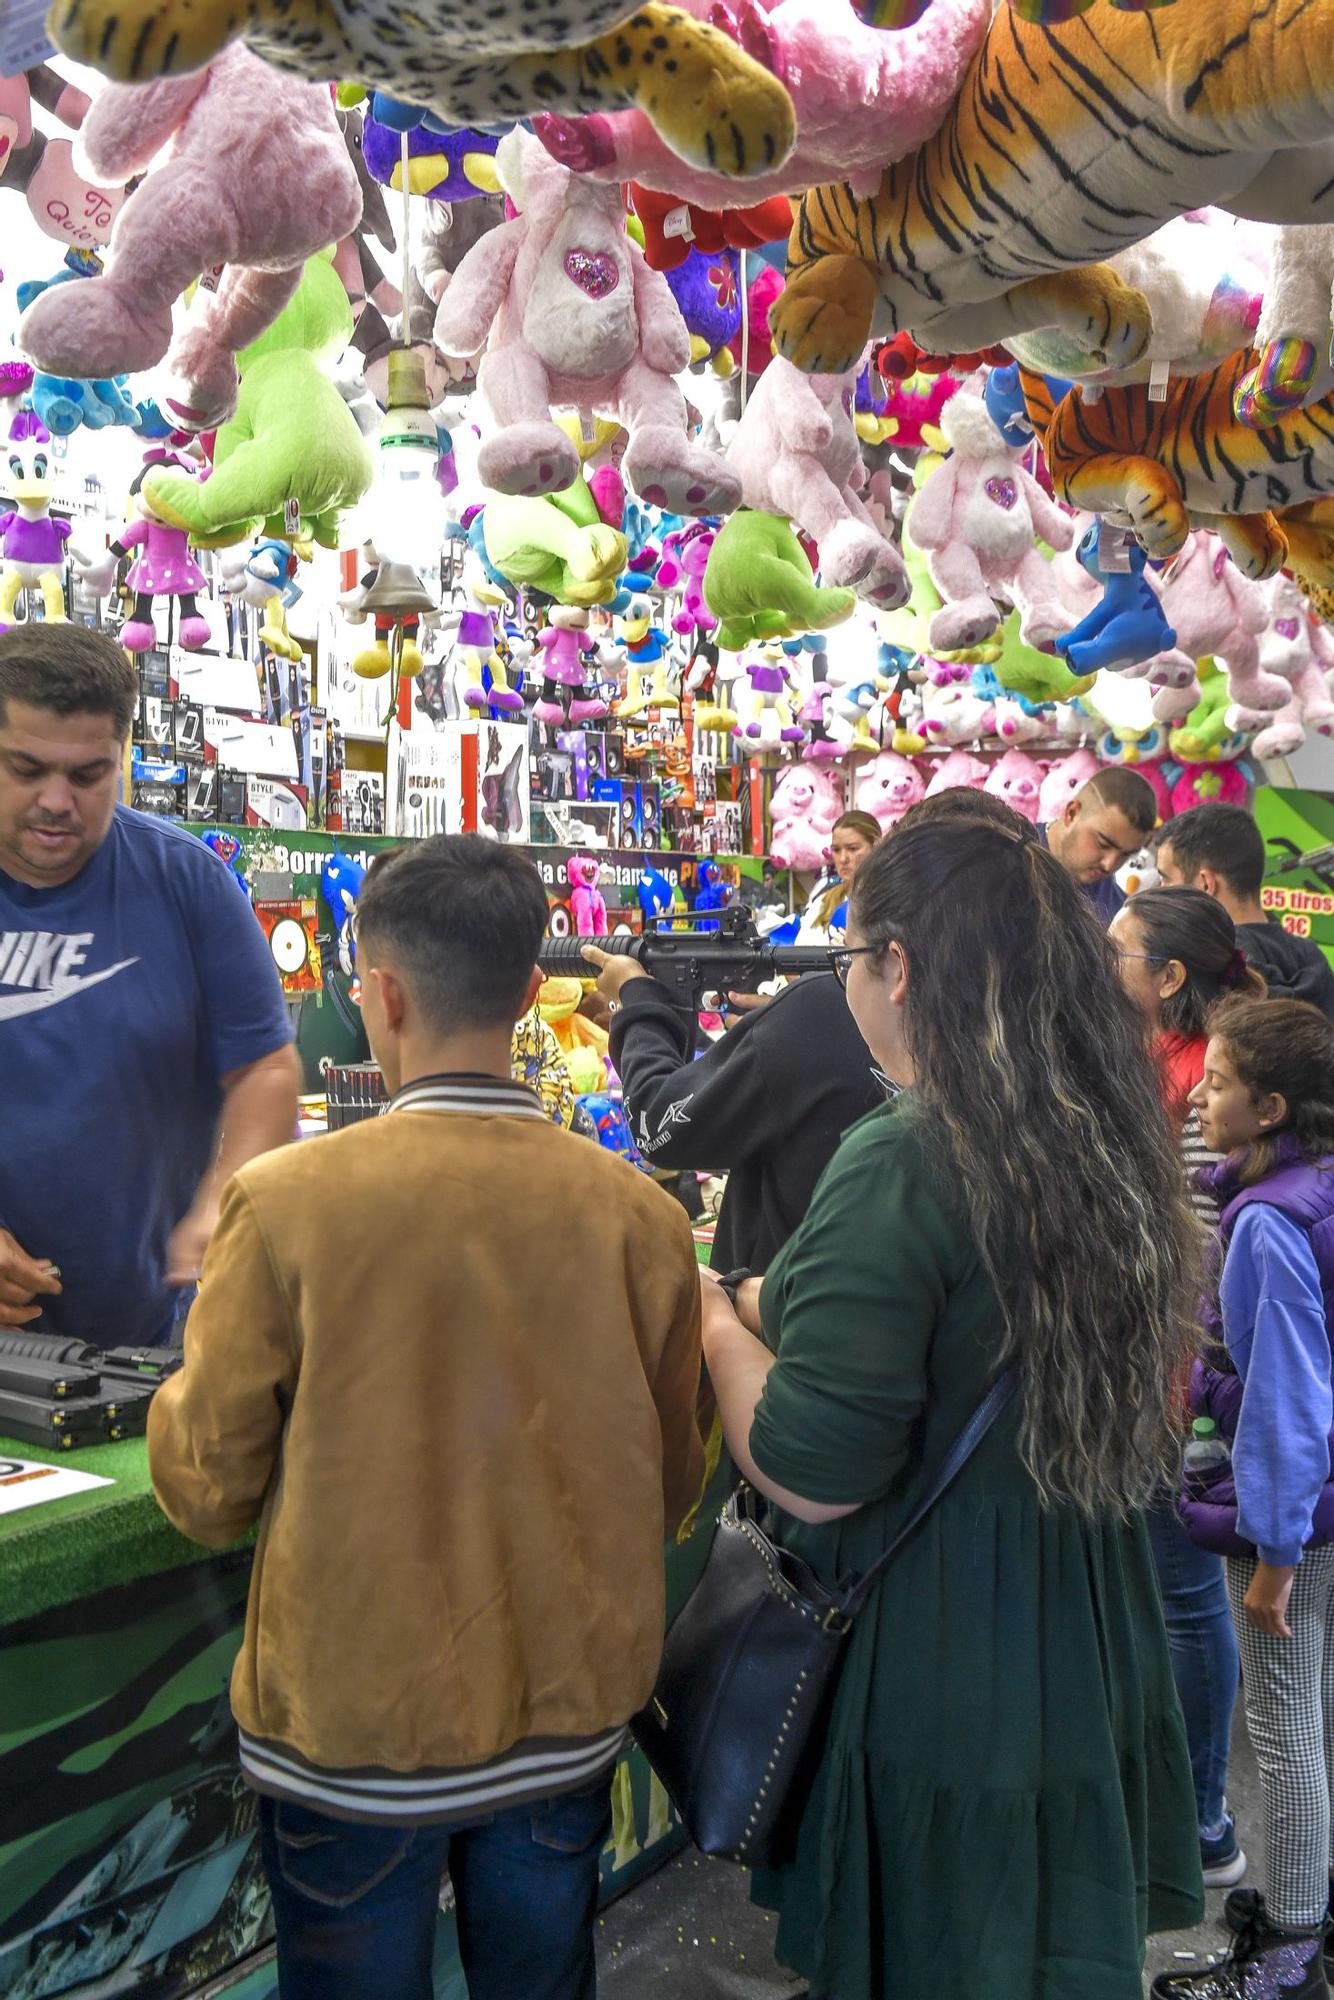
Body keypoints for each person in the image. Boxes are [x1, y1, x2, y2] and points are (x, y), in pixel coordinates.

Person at [146, 834, 706, 2000]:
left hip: (353, 1725)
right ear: (523, 993)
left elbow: (205, 1486)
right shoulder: (635, 1214)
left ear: (382, 994)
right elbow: (667, 1479)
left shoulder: (288, 1202)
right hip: (564, 1707)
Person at [700, 815, 1203, 2000]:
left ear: (899, 966)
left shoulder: (907, 1152)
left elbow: (814, 1464)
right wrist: (786, 1293)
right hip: (1079, 1625)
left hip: (946, 1655)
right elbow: (972, 1311)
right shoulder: (1101, 1131)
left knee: (943, 1952)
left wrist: (715, 1318)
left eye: (846, 952)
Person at [0, 623, 298, 1347]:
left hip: (144, 1337)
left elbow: (265, 1067)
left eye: (87, 774)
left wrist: (225, 1204)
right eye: (26, 768)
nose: (56, 801)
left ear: (124, 759)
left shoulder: (187, 881)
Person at [588, 789, 1022, 1272]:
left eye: (850, 956)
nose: (842, 970)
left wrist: (637, 1001)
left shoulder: (821, 1017)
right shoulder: (1040, 1042)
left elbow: (660, 1127)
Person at [1162, 997, 1334, 2000]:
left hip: (1285, 1521)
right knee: (1307, 1713)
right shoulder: (1311, 1189)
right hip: (1315, 1508)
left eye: (1218, 1083)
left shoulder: (1266, 1221)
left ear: (1267, 1105)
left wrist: (1269, 1544)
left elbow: (1280, 1396)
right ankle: (1306, 1906)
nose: (1200, 1094)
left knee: (1278, 1727)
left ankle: (1286, 1953)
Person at [1110, 887, 1266, 1892]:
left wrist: (1180, 1379)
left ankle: (1204, 1820)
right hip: (1164, 1366)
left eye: (1119, 951)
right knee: (1170, 1596)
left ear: (1168, 977)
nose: (1102, 962)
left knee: (1180, 1598)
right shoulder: (1165, 1062)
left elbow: (1202, 1244)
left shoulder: (1196, 1073)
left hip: (1174, 1372)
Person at [1157, 801, 1334, 1018]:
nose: (1159, 892)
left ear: (1206, 883)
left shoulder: (1210, 968)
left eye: (1165, 879)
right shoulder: (1312, 959)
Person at [1041, 764, 1159, 925]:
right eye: (1103, 844)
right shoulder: (1007, 859)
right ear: (1072, 813)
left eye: (1126, 854)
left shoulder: (1119, 916)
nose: (1109, 865)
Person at [796, 808, 883, 944]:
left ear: (876, 847)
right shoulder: (822, 902)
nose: (843, 859)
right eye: (836, 850)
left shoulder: (892, 904)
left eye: (852, 848)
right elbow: (799, 953)